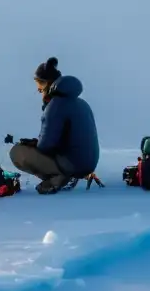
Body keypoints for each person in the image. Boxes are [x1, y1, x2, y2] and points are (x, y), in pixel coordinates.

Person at [9, 57, 100, 194]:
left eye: (40, 89)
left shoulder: (55, 106)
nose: (40, 93)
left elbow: (46, 145)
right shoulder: (82, 103)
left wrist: (33, 145)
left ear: (48, 85)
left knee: (17, 152)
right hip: (87, 165)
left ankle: (59, 178)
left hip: (71, 165)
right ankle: (67, 174)